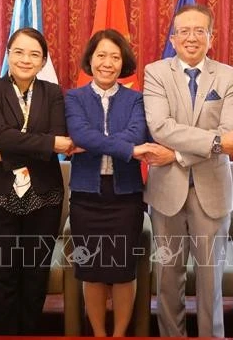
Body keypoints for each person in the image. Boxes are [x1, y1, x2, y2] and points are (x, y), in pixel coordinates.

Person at [143, 4, 233, 337]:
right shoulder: (156, 72)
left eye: (199, 30)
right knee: (167, 277)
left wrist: (176, 154)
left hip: (212, 192)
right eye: (184, 31)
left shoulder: (228, 75)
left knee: (210, 279)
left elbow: (231, 132)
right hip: (166, 194)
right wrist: (215, 143)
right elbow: (161, 127)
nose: (191, 37)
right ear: (173, 39)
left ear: (210, 36)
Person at [0, 27, 74, 335]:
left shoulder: (52, 93)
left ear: (43, 61)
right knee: (0, 273)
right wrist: (42, 143)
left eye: (34, 54)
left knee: (34, 273)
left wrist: (3, 154)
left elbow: (57, 139)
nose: (26, 59)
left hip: (43, 195)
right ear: (7, 54)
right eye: (19, 52)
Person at [65, 29, 152, 337]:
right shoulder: (73, 97)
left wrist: (102, 142)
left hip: (125, 197)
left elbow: (136, 133)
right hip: (87, 197)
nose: (107, 62)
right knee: (92, 272)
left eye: (115, 57)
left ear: (123, 62)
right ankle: (100, 335)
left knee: (123, 272)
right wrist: (128, 150)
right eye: (101, 55)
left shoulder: (136, 99)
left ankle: (118, 336)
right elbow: (80, 134)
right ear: (90, 59)